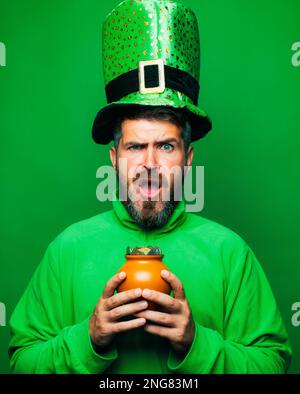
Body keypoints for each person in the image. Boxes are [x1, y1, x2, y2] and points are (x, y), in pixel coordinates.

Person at [9, 0, 292, 374]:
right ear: (114, 159)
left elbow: (273, 363)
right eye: (135, 146)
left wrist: (197, 343)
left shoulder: (230, 253)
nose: (149, 165)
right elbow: (21, 361)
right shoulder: (67, 250)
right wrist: (88, 338)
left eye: (165, 146)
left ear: (188, 158)